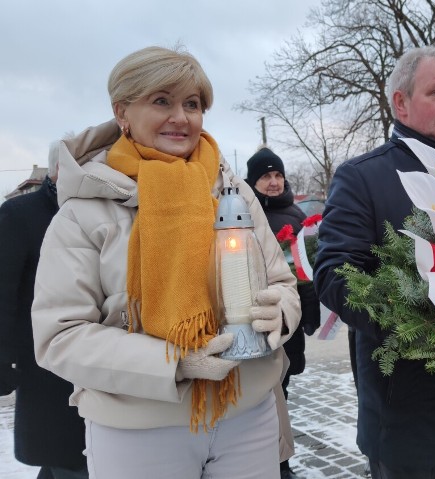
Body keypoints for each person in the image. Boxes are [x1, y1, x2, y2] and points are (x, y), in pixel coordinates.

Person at [31, 46, 301, 479]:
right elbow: (59, 336)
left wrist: (281, 313)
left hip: (246, 413)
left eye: (192, 104)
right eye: (162, 101)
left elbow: (281, 283)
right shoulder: (84, 211)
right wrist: (173, 362)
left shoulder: (234, 193)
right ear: (122, 111)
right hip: (141, 429)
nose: (182, 117)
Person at [314, 45, 435, 479]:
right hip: (403, 414)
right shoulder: (362, 176)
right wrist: (420, 321)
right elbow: (335, 273)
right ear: (400, 103)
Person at [0, 148, 87, 479]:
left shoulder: (91, 214)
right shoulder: (20, 214)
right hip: (41, 360)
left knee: (72, 456)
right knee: (65, 453)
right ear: (56, 170)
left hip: (87, 355)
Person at [246, 146, 321, 479]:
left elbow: (308, 271)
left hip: (287, 320)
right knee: (259, 394)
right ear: (253, 181)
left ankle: (280, 463)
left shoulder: (296, 216)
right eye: (266, 176)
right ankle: (262, 460)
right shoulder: (244, 215)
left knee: (282, 390)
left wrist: (311, 308)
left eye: (278, 175)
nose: (274, 182)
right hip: (255, 318)